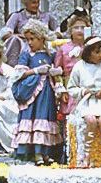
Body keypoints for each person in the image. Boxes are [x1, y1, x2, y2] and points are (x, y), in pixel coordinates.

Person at [11, 19, 63, 165]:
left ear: (41, 38)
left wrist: (55, 72)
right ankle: (36, 153)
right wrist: (35, 71)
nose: (30, 43)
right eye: (27, 40)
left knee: (46, 118)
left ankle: (46, 152)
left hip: (47, 92)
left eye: (32, 39)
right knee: (34, 119)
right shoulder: (27, 55)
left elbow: (58, 69)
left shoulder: (50, 54)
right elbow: (17, 74)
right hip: (33, 94)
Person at [66, 37, 101, 168]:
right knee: (91, 120)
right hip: (87, 102)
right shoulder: (79, 66)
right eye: (97, 52)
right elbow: (71, 87)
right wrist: (82, 92)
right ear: (88, 52)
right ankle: (86, 157)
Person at [2, 0, 58, 66]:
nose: (36, 5)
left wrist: (48, 35)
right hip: (25, 46)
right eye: (33, 3)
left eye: (38, 2)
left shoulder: (46, 16)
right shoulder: (17, 16)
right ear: (26, 3)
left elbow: (58, 31)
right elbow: (5, 34)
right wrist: (22, 36)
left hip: (44, 46)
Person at [54, 8, 92, 119]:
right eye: (76, 28)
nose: (79, 31)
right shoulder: (64, 49)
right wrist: (62, 91)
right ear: (70, 30)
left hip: (88, 87)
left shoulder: (91, 48)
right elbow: (57, 71)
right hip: (70, 88)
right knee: (71, 119)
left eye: (83, 28)